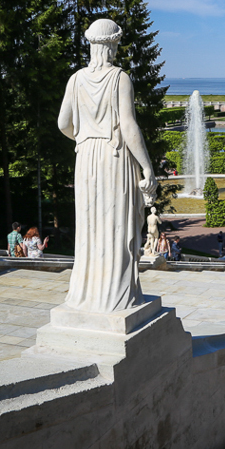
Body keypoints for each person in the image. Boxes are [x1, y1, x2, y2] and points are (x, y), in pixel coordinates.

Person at [57, 19, 158, 313]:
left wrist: (85, 138)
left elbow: (63, 124)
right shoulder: (119, 78)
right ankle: (116, 294)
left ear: (92, 44)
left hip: (85, 156)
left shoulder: (75, 79)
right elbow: (128, 125)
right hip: (114, 157)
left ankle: (86, 294)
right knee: (115, 226)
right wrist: (147, 167)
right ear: (111, 44)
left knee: (90, 227)